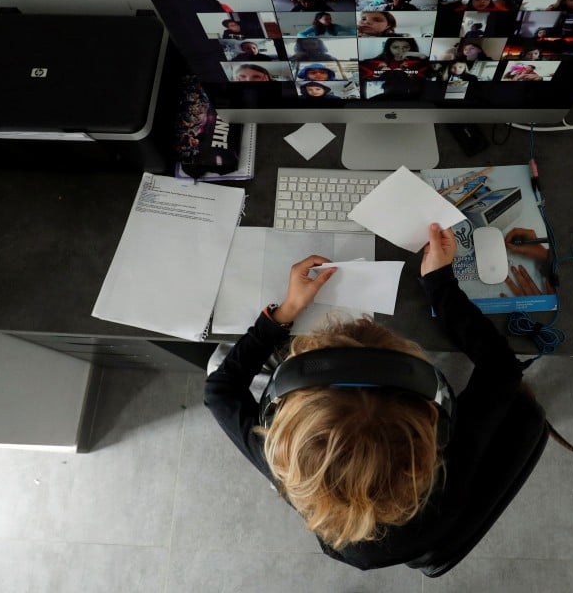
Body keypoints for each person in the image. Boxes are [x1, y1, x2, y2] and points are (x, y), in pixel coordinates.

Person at [204, 224, 539, 569]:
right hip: (424, 533)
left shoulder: (294, 466)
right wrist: (439, 283)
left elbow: (219, 389)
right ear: (434, 427)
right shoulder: (452, 461)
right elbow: (503, 369)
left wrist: (285, 312)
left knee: (218, 360)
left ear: (288, 439)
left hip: (375, 547)